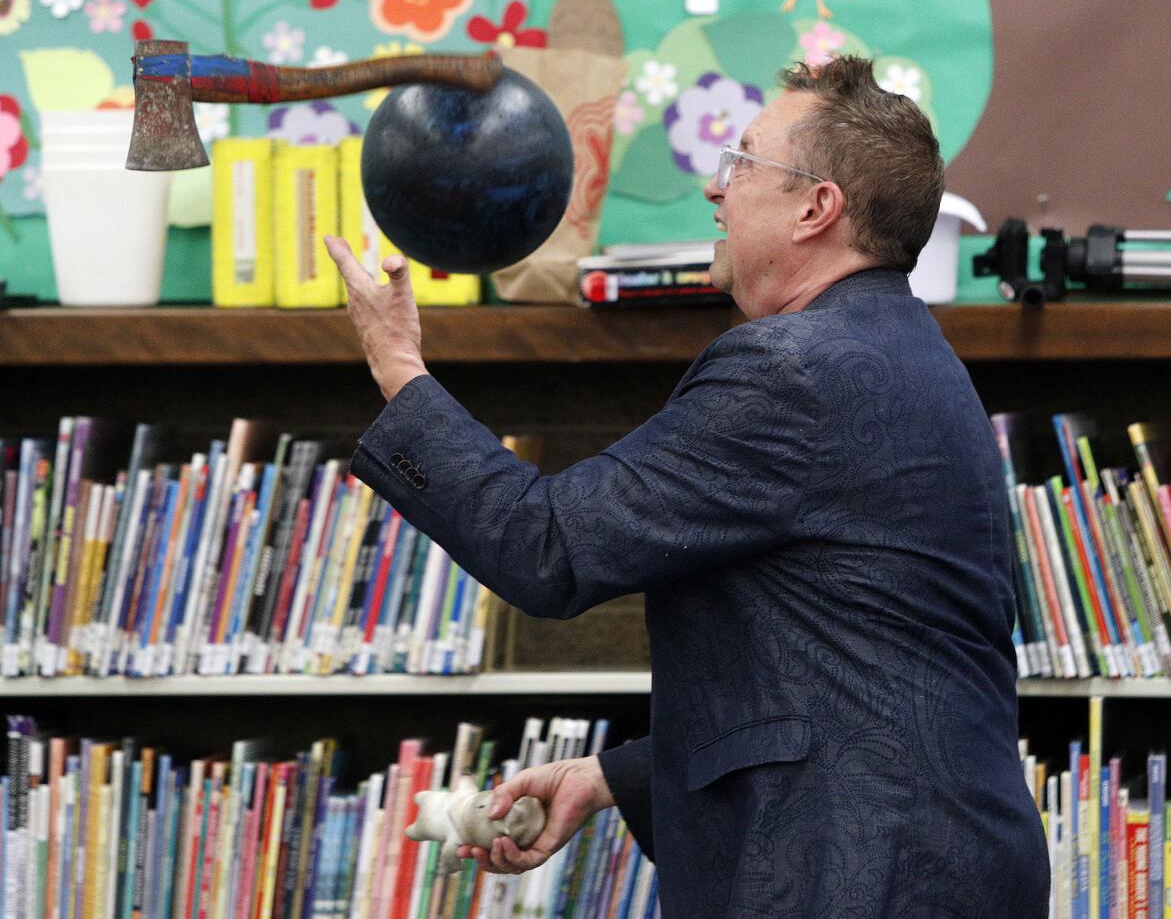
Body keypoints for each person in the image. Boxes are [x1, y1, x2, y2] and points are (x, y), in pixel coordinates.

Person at [323, 55, 1050, 918]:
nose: (716, 190)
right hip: (928, 865)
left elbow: (546, 549)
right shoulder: (907, 353)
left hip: (861, 881)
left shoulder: (792, 373)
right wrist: (606, 778)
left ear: (816, 207)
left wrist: (399, 368)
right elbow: (855, 663)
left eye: (742, 161)